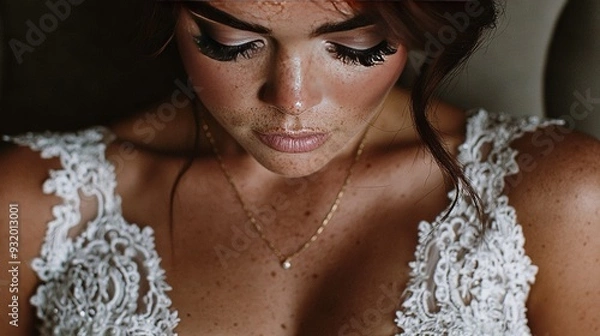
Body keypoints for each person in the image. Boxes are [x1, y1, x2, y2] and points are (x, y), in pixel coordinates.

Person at [1, 1, 599, 335]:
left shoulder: (563, 200)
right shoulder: (27, 204)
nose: (292, 101)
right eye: (233, 43)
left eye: (355, 46)